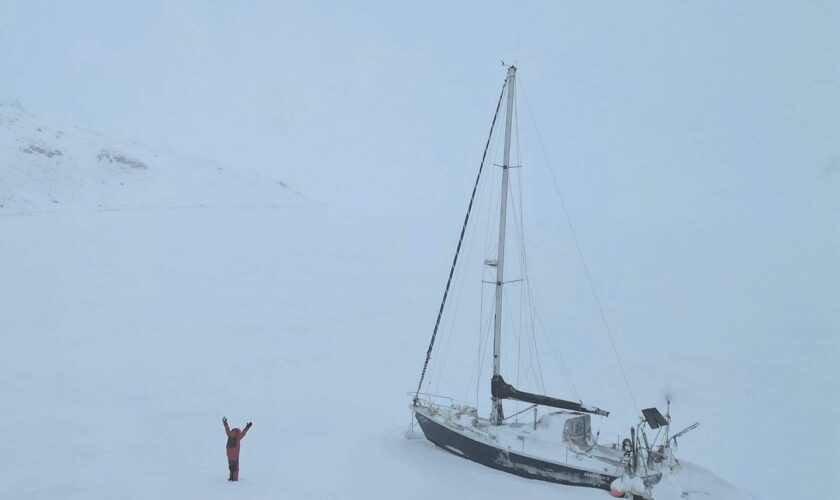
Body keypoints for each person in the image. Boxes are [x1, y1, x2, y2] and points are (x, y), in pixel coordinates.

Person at [222, 417, 252, 481]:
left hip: (229, 455)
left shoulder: (229, 435)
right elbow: (244, 432)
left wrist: (225, 423)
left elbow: (227, 429)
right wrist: (247, 427)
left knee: (231, 466)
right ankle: (234, 479)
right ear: (238, 432)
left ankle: (231, 477)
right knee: (236, 467)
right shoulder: (238, 437)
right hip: (235, 456)